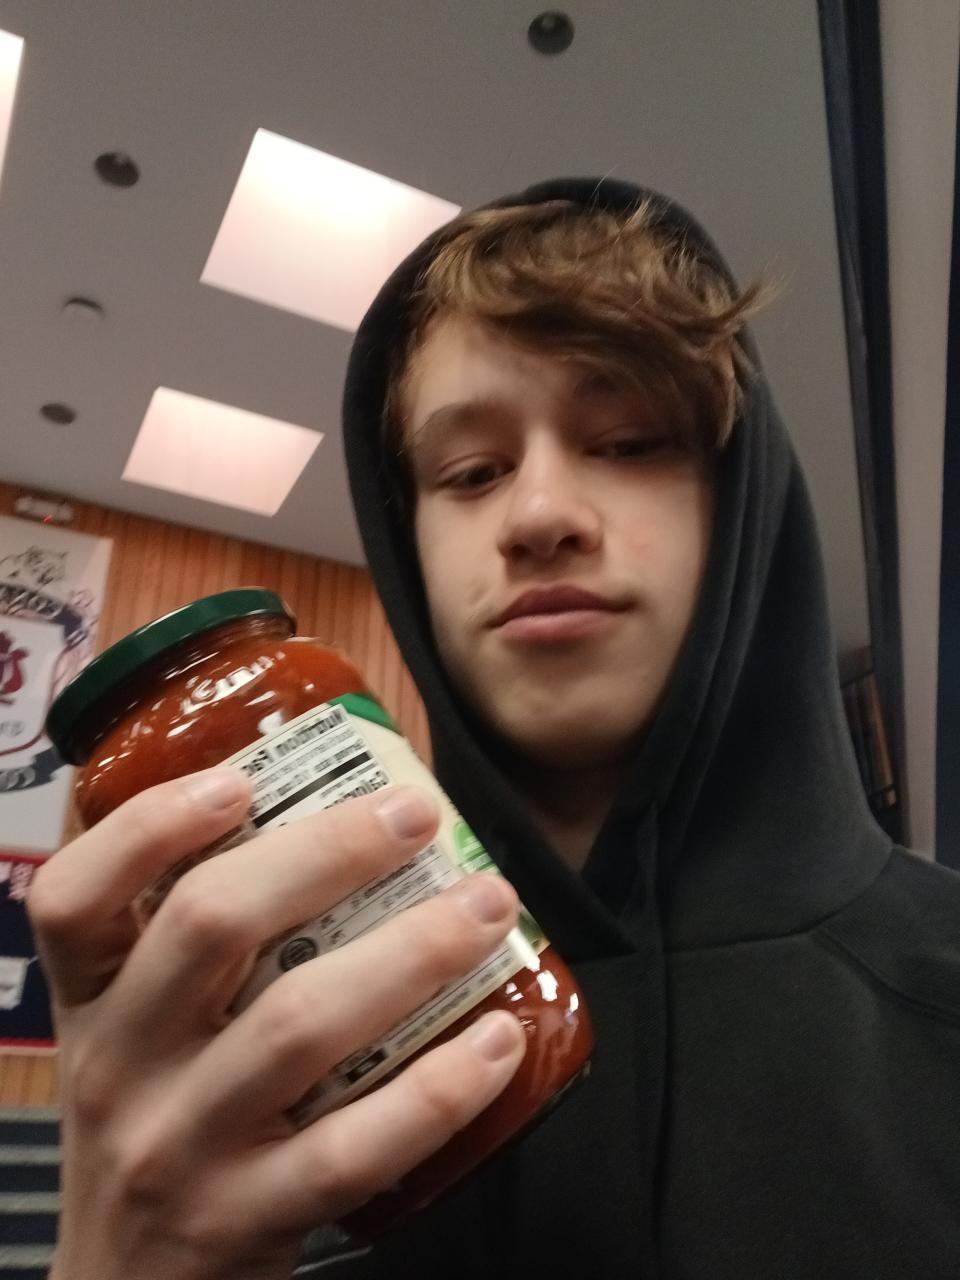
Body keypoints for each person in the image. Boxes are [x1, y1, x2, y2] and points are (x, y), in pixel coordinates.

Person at [30, 179, 960, 1280]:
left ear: (742, 503)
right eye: (471, 472)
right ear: (408, 546)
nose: (539, 515)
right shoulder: (258, 1065)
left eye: (631, 442)